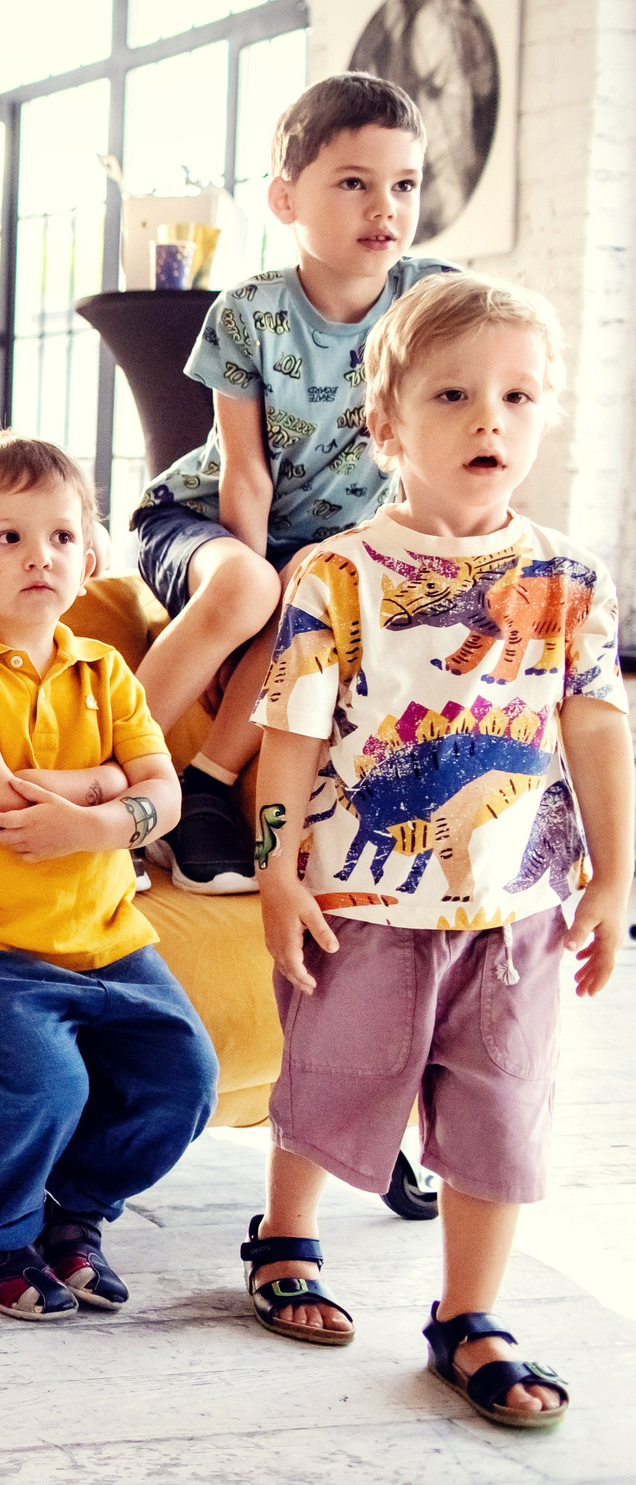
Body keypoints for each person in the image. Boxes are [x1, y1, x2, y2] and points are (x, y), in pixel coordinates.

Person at [247, 273, 625, 1431]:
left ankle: (469, 1316)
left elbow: (595, 723)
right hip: (361, 890)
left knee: (502, 1110)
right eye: (454, 395)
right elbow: (291, 737)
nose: (488, 421)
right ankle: (287, 1233)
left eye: (516, 397)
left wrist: (615, 875)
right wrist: (273, 870)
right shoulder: (336, 577)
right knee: (335, 1072)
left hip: (515, 905)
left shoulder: (565, 580)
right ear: (385, 424)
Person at [0, 433, 218, 1320]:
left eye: (62, 536)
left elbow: (167, 794)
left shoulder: (105, 671)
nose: (41, 555)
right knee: (48, 1079)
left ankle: (72, 1213)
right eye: (7, 537)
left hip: (108, 940)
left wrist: (100, 807)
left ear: (91, 554)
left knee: (184, 1079)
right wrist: (113, 790)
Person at [129, 73, 459, 895]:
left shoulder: (431, 298)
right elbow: (243, 469)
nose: (384, 207)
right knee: (251, 588)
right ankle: (109, 775)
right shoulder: (250, 312)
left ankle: (204, 788)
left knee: (321, 592)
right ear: (285, 200)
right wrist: (251, 604)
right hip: (204, 520)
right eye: (353, 183)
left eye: (404, 185)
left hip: (327, 547)